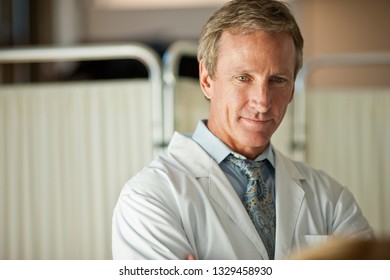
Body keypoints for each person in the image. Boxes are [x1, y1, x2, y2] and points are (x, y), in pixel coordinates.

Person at [112, 0, 374, 260]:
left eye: (278, 80)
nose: (262, 101)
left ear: (293, 87)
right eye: (243, 78)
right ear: (206, 79)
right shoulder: (149, 198)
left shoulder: (331, 199)